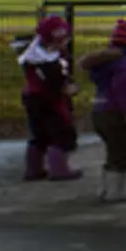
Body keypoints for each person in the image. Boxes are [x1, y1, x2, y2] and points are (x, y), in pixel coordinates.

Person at [80, 19, 126, 203]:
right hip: (115, 112)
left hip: (101, 109)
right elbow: (125, 89)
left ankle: (106, 187)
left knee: (114, 148)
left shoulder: (109, 61)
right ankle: (115, 190)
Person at [17, 14, 83, 182]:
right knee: (61, 133)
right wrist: (69, 88)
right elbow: (56, 83)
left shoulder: (33, 57)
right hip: (49, 101)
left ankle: (34, 169)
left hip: (33, 98)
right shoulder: (47, 62)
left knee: (39, 135)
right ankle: (59, 169)